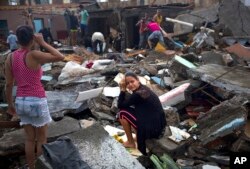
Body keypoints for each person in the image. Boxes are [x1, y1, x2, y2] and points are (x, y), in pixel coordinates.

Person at [4, 25, 64, 169]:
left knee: (29, 139)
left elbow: (8, 84)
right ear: (32, 38)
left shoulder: (10, 57)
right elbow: (60, 56)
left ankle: (31, 167)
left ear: (17, 39)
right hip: (36, 100)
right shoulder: (34, 55)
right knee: (41, 139)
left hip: (20, 101)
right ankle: (41, 166)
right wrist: (43, 43)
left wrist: (10, 105)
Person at [117, 72, 166, 155]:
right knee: (133, 110)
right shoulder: (144, 88)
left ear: (138, 80)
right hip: (159, 126)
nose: (130, 85)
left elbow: (120, 105)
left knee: (122, 113)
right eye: (127, 83)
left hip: (151, 129)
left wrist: (122, 90)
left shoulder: (137, 94)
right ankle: (136, 136)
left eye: (132, 81)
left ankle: (130, 142)